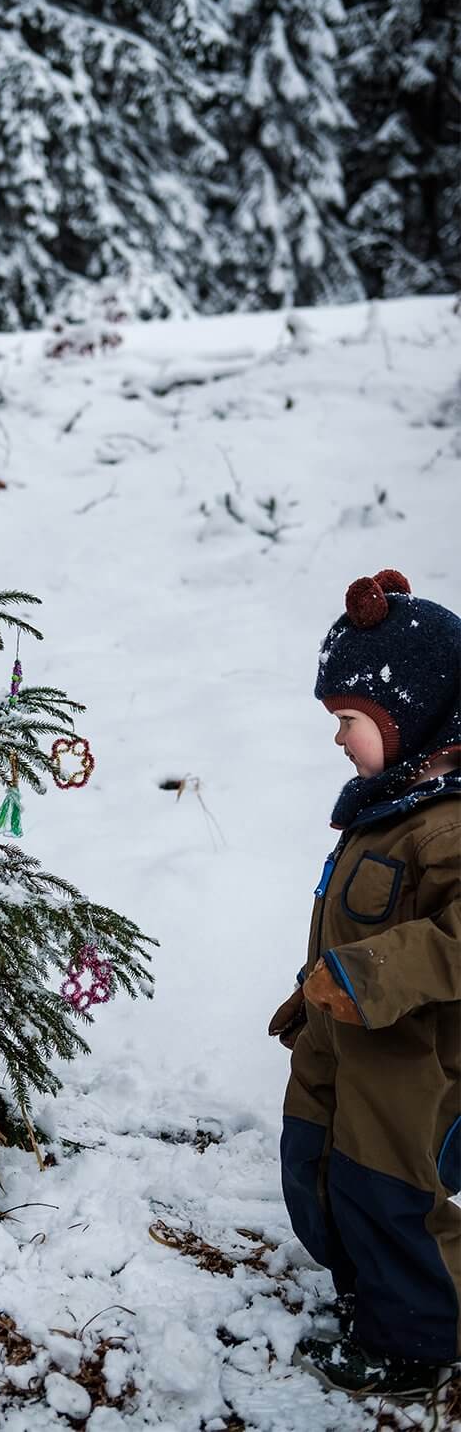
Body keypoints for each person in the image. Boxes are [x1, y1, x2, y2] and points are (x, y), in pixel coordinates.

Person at [269, 568, 461, 1397]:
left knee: (389, 1197)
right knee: (314, 1168)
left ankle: (420, 1345)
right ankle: (365, 1296)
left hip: (407, 1066)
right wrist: (313, 992)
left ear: (412, 715)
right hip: (338, 1041)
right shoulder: (383, 812)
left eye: (350, 720)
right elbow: (349, 925)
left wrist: (370, 971)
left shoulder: (447, 829)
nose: (339, 738)